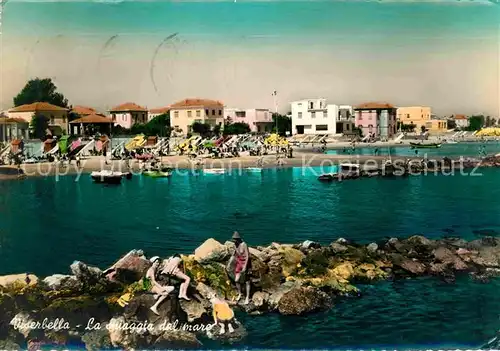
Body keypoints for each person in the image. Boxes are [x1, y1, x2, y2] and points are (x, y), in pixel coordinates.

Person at [226, 231, 251, 305]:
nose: (234, 241)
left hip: (245, 263)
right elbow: (234, 254)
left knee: (247, 281)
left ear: (238, 239)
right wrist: (230, 263)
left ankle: (247, 297)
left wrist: (245, 267)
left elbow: (247, 256)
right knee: (236, 280)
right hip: (239, 263)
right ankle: (240, 293)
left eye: (235, 240)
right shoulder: (235, 245)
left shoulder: (244, 244)